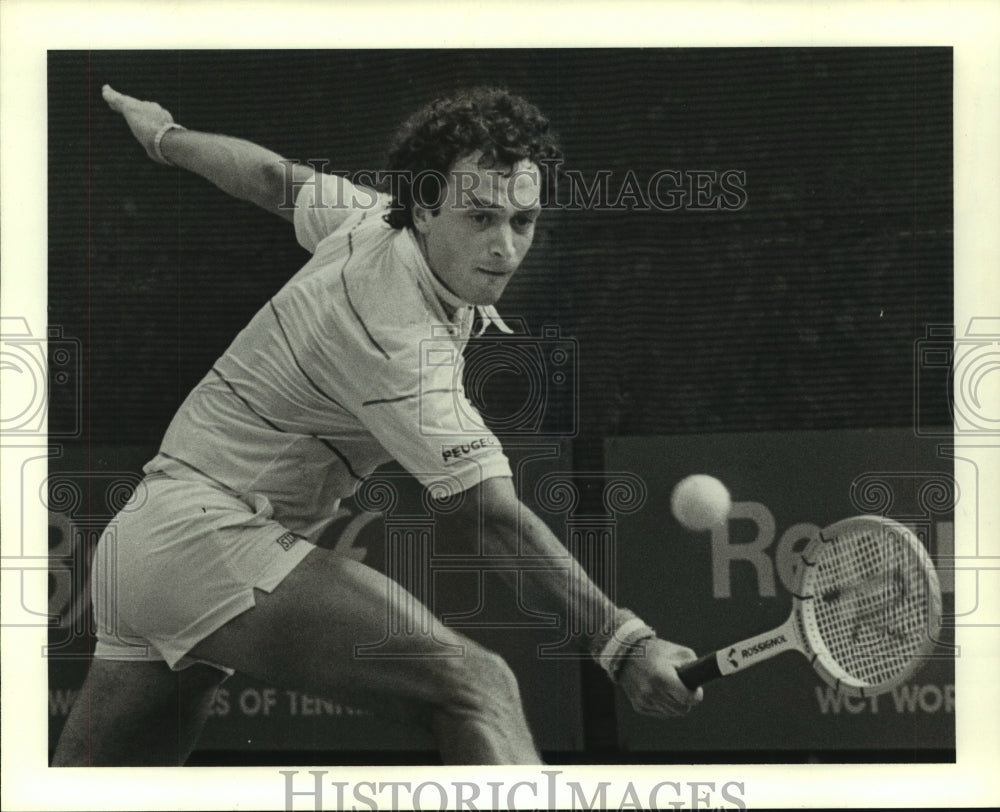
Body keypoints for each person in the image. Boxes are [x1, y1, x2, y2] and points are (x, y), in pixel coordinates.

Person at [52, 84, 702, 767]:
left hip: (147, 545)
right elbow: (493, 521)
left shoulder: (371, 219)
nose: (505, 247)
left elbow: (273, 178)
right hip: (206, 540)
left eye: (522, 220)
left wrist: (164, 138)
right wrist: (623, 643)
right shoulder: (394, 338)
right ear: (425, 208)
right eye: (479, 218)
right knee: (477, 688)